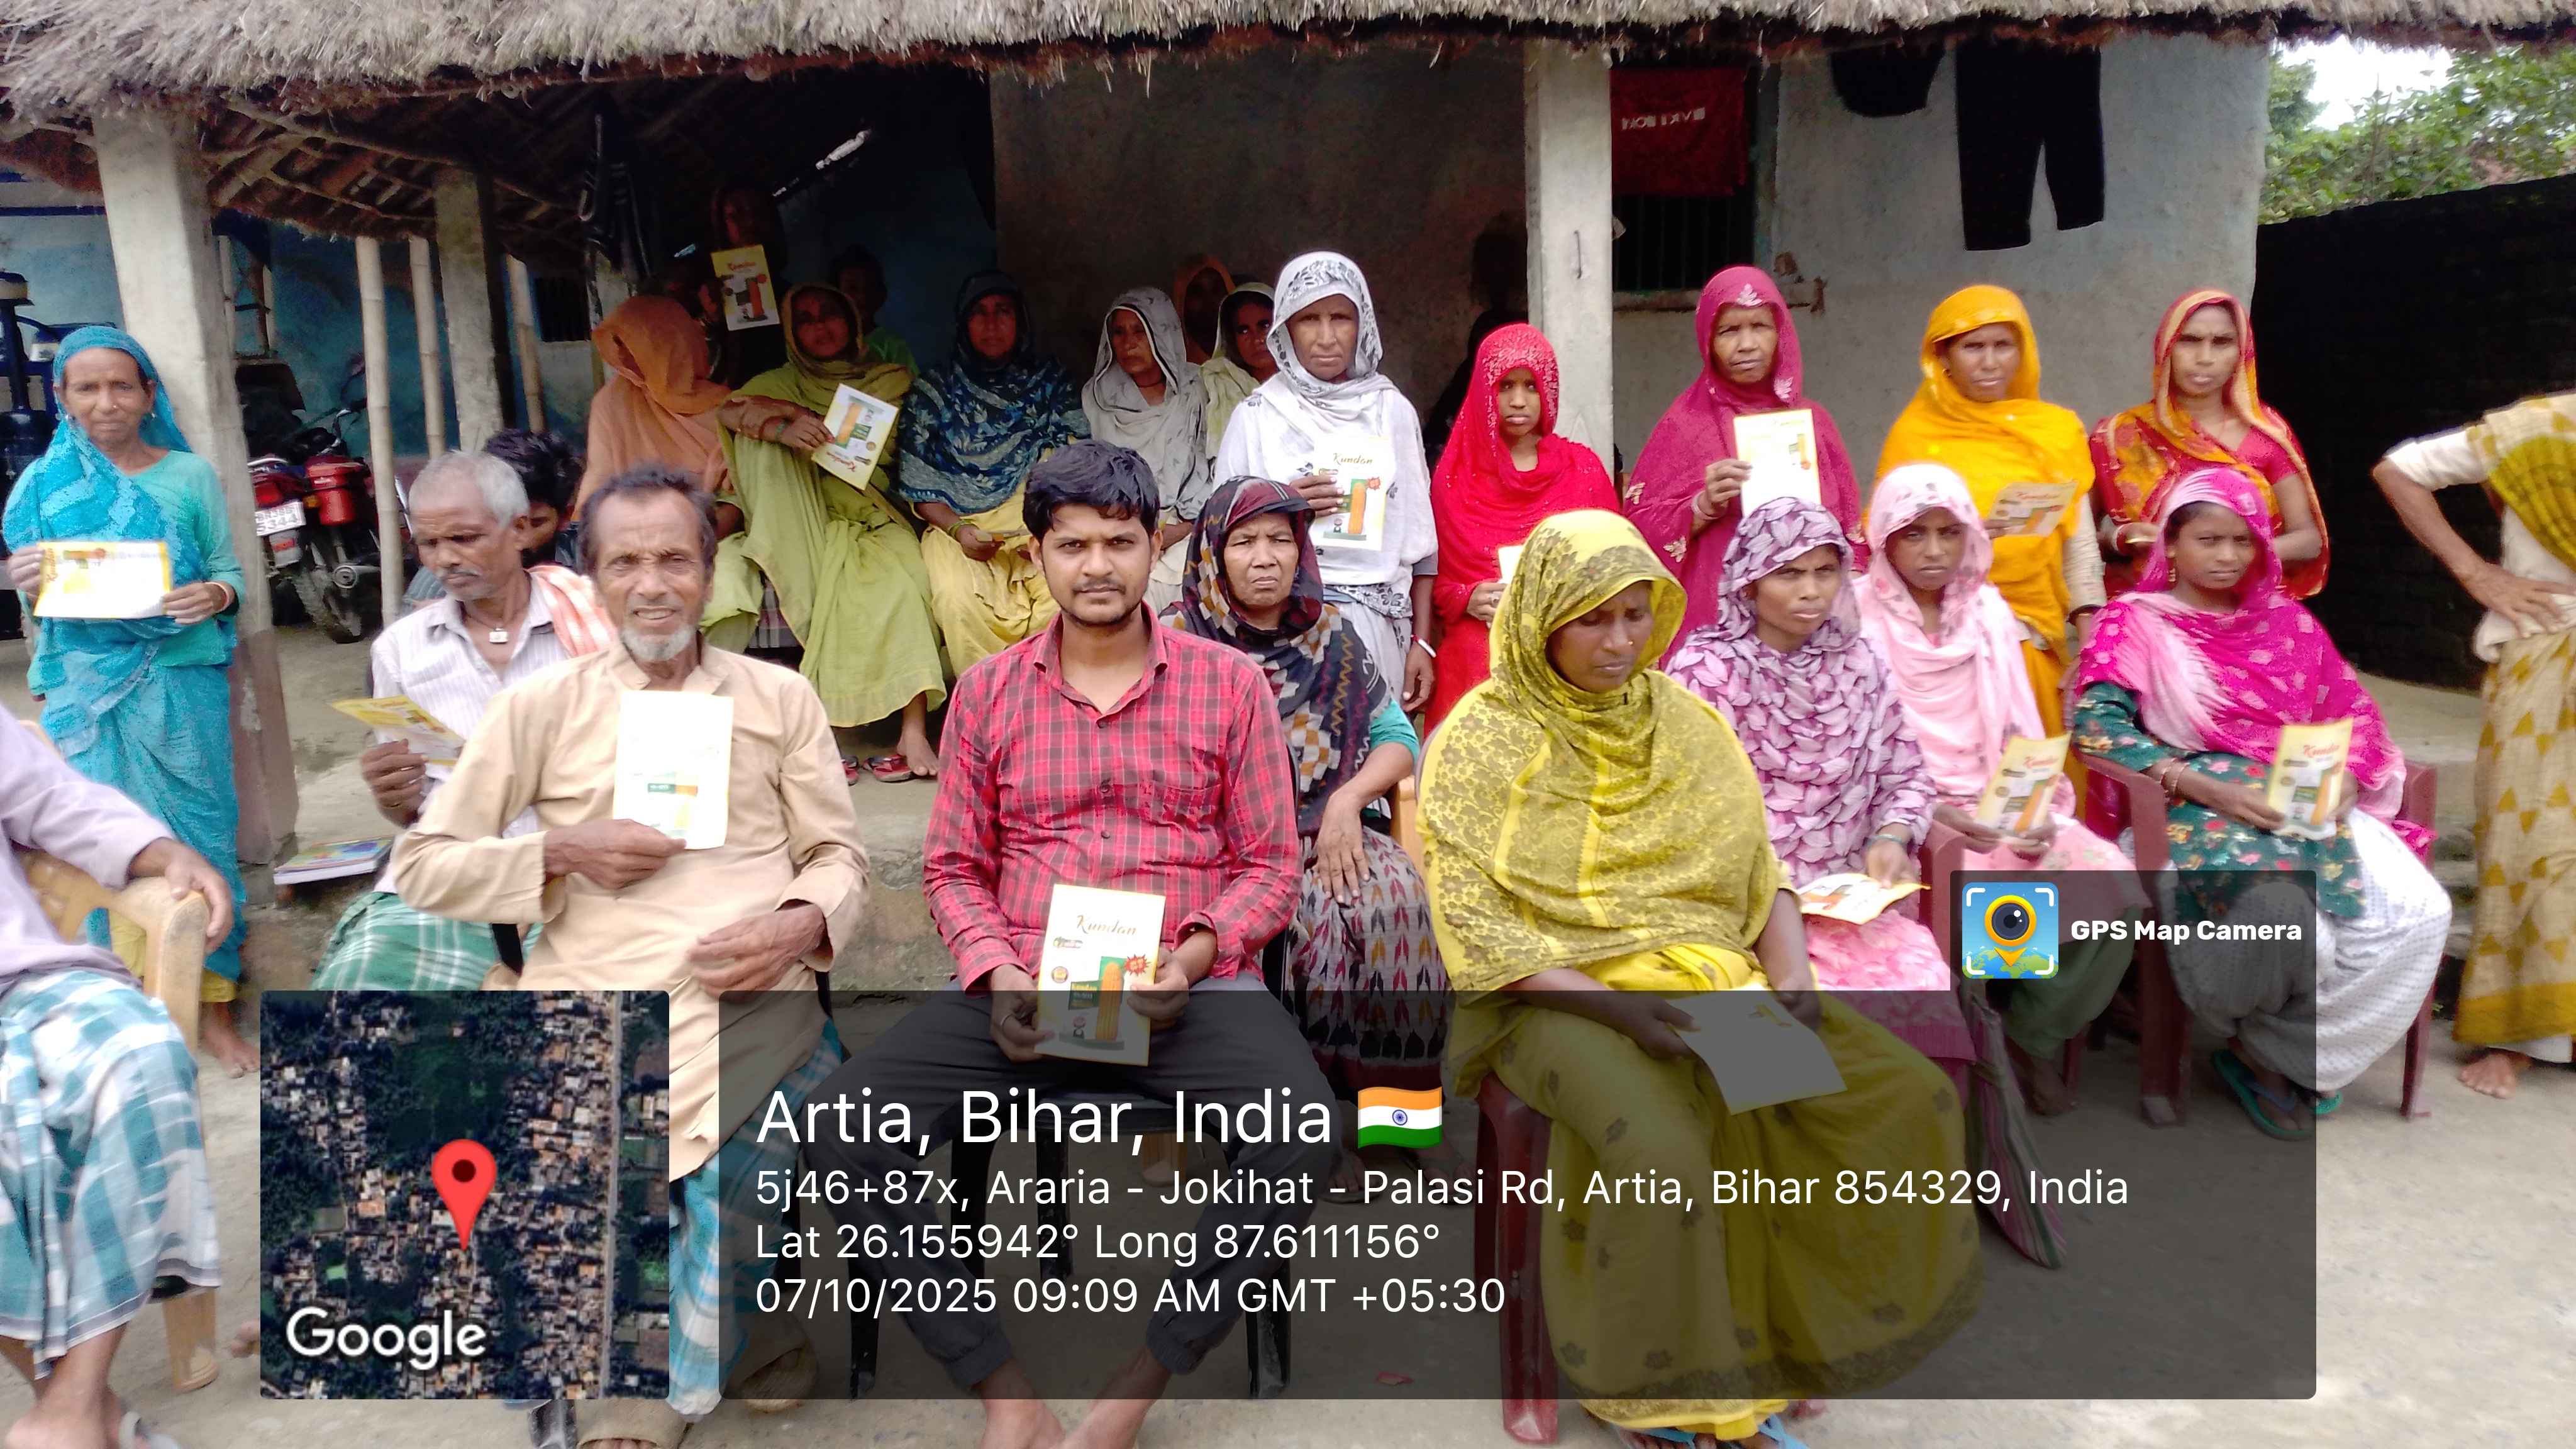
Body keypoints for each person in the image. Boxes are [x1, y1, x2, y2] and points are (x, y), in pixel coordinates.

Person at [799, 441, 1333, 1449]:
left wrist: (1194, 957)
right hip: (1026, 990)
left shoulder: (1228, 686)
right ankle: (1004, 1393)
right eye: (1072, 544)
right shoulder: (988, 692)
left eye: (1119, 543)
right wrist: (1000, 971)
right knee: (841, 1130)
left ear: (1153, 550)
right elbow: (954, 868)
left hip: (1184, 991)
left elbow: (1270, 867)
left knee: (1302, 1128)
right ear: (1037, 555)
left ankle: (1139, 1385)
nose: (1097, 566)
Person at [1421, 510, 1977, 1449]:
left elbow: (1759, 869)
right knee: (1663, 1153)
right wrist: (1622, 1012)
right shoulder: (1480, 737)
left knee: (1886, 1097)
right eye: (1593, 620)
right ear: (1542, 619)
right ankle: (1678, 1399)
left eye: (1636, 615)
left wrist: (1790, 979)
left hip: (1701, 981)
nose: (1620, 641)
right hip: (1548, 996)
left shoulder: (1684, 721)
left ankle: (1784, 1339)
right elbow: (1478, 926)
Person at [392, 469, 865, 1447]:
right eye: (626, 563)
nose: (653, 585)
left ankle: (701, 1354)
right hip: (596, 992)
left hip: (753, 1004)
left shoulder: (779, 696)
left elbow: (838, 857)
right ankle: (667, 1368)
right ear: (592, 578)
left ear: (711, 573)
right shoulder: (540, 707)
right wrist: (560, 851)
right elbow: (424, 865)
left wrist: (795, 925)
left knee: (743, 1177)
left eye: (674, 560)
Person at [2070, 468, 2448, 1138]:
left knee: (2420, 913)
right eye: (2208, 540)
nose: (2226, 556)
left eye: (2242, 541)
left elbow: (2353, 713)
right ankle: (2272, 1052)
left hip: (2306, 799)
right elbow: (2097, 728)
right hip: (2189, 802)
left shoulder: (2286, 621)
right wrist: (2201, 786)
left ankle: (2275, 1051)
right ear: (2171, 545)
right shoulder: (2134, 622)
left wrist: (2348, 781)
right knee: (2283, 918)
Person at [2, 326, 255, 1075]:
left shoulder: (188, 476)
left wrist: (214, 595)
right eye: (87, 388)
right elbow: (39, 608)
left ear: (150, 395)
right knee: (94, 846)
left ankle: (211, 1007)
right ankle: (132, 1003)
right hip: (85, 691)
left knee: (200, 835)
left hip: (179, 675)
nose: (106, 402)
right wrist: (23, 581)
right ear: (62, 397)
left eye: (122, 386)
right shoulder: (40, 487)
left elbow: (229, 571)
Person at [1166, 476, 1446, 1153]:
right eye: (1244, 542)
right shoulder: (1179, 641)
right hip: (1220, 844)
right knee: (1309, 928)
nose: (1265, 558)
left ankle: (1392, 1123)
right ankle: (1305, 1127)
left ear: (1301, 550)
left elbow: (1396, 738)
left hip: (1335, 828)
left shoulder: (1332, 633)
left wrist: (1348, 800)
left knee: (1396, 904)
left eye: (1280, 540)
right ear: (1213, 553)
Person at [1857, 464, 2140, 1113]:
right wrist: (1931, 812)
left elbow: (2019, 725)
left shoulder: (1987, 609)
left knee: (2115, 890)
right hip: (1901, 809)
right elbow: (1855, 753)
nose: (1933, 551)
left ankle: (2030, 1035)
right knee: (1985, 890)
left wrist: (2031, 805)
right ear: (1884, 539)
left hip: (1994, 795)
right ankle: (1974, 1047)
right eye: (1913, 534)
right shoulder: (1854, 613)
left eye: (1948, 533)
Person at [1666, 499, 1975, 1087]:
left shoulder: (1860, 662)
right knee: (1785, 1039)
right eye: (1788, 574)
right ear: (1749, 582)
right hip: (1742, 904)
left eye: (1825, 572)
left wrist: (1891, 837)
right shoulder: (1706, 671)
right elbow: (1686, 808)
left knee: (1918, 991)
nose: (1811, 591)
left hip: (1851, 898)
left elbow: (1906, 775)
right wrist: (1769, 887)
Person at [2, 720, 231, 1449]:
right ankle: (80, 1412)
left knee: (142, 1056)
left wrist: (164, 853)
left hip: (20, 979)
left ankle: (71, 1404)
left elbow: (54, 799)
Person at [313, 452, 613, 991]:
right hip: (455, 871)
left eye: (464, 538)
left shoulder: (599, 621)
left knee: (579, 1003)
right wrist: (393, 795)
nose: (445, 559)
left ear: (520, 529)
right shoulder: (401, 650)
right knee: (360, 981)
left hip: (583, 870)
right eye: (428, 544)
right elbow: (412, 815)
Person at [2370, 394, 2576, 1099]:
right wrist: (2476, 572)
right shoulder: (2543, 429)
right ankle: (2519, 1036)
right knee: (2533, 845)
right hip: (2545, 649)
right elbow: (2399, 470)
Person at [704, 283, 947, 775]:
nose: (820, 327)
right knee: (760, 440)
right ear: (792, 334)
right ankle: (825, 731)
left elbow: (862, 454)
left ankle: (913, 731)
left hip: (873, 512)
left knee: (903, 581)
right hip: (798, 520)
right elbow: (730, 411)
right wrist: (783, 425)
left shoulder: (889, 379)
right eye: (806, 319)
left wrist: (801, 421)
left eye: (830, 314)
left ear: (853, 320)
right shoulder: (776, 383)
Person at [1879, 285, 2107, 738]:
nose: (1990, 362)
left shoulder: (2055, 431)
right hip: (1943, 650)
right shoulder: (1915, 437)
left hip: (2033, 638)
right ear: (1943, 357)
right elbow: (1887, 549)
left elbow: (2080, 549)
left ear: (2024, 351)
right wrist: (1961, 537)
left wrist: (2092, 649)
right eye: (1973, 347)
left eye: (2003, 345)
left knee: (2034, 771)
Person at [1214, 251, 1439, 708]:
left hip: (1379, 625)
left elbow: (1422, 541)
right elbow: (1219, 534)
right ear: (1286, 328)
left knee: (1378, 743)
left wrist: (1423, 642)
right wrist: (1281, 503)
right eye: (1308, 319)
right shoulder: (1256, 417)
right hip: (1280, 628)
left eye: (1341, 318)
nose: (1326, 337)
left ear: (1363, 324)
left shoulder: (1391, 411)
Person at [1627, 267, 1863, 645]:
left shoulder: (1814, 424)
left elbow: (1850, 530)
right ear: (1707, 339)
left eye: (1760, 327)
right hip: (1715, 621)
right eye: (1729, 331)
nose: (1747, 344)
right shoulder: (1685, 425)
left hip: (1808, 618)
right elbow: (1636, 530)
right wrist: (1702, 507)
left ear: (1781, 332)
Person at [1423, 322, 1621, 731]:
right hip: (1483, 644)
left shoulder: (1582, 470)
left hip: (1566, 640)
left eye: (1531, 386)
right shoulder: (1454, 478)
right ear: (1483, 391)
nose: (1518, 401)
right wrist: (1467, 597)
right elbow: (1437, 583)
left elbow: (1616, 565)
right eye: (1504, 386)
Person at [896, 272, 1089, 675]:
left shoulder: (1049, 383)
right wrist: (960, 531)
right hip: (959, 530)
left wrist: (1044, 524)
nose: (992, 323)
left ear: (1021, 320)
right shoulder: (934, 391)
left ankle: (1049, 705)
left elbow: (1076, 462)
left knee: (1065, 595)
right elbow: (919, 484)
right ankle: (987, 706)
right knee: (957, 600)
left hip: (1039, 524)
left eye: (1003, 311)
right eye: (979, 313)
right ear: (963, 323)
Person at [2090, 289, 2326, 597]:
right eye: (2189, 341)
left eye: (2222, 343)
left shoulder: (2266, 435)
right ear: (2166, 347)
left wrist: (2227, 556)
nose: (2205, 358)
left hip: (2243, 612)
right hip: (2141, 613)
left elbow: (2308, 541)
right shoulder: (2118, 436)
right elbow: (2075, 542)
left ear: (2242, 352)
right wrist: (2120, 539)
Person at [1080, 288, 1211, 613]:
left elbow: (1214, 466)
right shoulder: (1096, 399)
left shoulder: (1197, 391)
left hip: (1189, 528)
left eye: (1140, 331)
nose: (1128, 343)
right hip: (1113, 529)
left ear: (1163, 331)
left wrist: (1181, 529)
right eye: (1119, 332)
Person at [402, 428, 586, 611]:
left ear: (565, 517)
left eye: (536, 523)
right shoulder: (441, 580)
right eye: (465, 538)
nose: (522, 538)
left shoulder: (588, 554)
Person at [580, 295, 731, 515]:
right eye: (618, 344)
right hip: (633, 526)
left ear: (668, 343)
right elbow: (598, 477)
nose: (622, 354)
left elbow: (737, 495)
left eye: (633, 343)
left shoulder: (725, 406)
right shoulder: (612, 402)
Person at [706, 182, 789, 387]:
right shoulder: (711, 294)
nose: (751, 222)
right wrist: (710, 321)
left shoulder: (793, 294)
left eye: (758, 212)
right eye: (737, 215)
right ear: (723, 226)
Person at [1197, 282, 1275, 465]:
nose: (1256, 339)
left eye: (1264, 325)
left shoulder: (1307, 384)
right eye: (1244, 330)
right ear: (1232, 339)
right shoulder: (1216, 383)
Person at [826, 243, 919, 376]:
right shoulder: (824, 341)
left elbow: (913, 385)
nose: (862, 296)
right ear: (836, 293)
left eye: (869, 288)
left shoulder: (892, 346)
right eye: (852, 288)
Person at [1172, 253, 1233, 367]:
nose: (1209, 301)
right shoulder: (1175, 365)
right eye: (1197, 293)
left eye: (1216, 290)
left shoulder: (1251, 354)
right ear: (1182, 302)